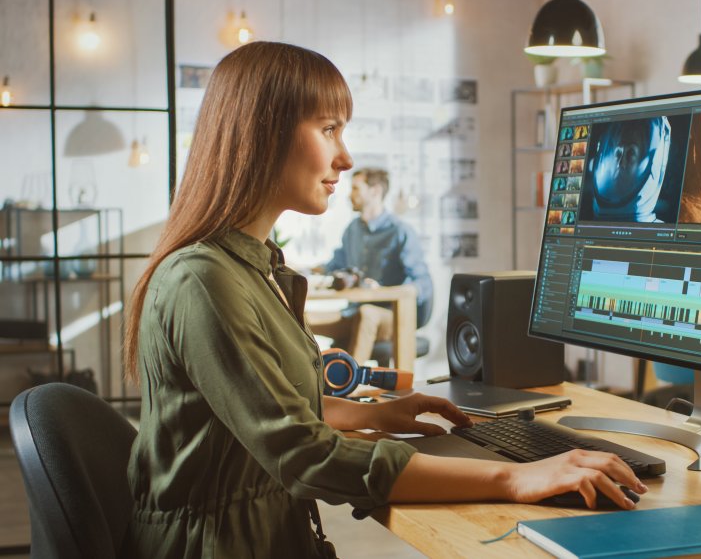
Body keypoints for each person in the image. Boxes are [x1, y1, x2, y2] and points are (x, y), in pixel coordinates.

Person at [121, 41, 644, 559]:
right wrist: (515, 476)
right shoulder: (203, 280)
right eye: (329, 130)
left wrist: (368, 413)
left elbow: (258, 411)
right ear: (262, 134)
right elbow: (303, 455)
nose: (345, 159)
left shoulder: (253, 265)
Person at [311, 167, 431, 364]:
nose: (350, 195)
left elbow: (422, 284)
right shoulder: (352, 230)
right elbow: (334, 265)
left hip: (392, 317)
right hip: (355, 312)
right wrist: (298, 267)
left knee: (368, 313)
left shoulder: (400, 232)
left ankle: (350, 387)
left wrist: (384, 290)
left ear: (375, 191)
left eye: (356, 188)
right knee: (302, 318)